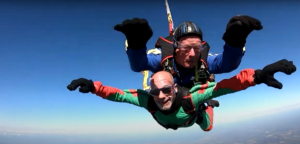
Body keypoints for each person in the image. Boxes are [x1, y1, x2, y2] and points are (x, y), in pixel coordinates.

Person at [67, 59, 296, 131]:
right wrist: (94, 87)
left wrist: (257, 75)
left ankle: (208, 106)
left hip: (193, 115)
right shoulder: (148, 100)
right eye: (155, 91)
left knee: (208, 128)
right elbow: (119, 95)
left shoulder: (189, 97)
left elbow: (225, 86)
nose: (161, 96)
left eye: (166, 89)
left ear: (174, 88)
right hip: (176, 121)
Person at [114, 15, 263, 89]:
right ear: (176, 47)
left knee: (206, 123)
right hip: (171, 99)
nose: (192, 54)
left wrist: (235, 42)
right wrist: (136, 46)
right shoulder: (164, 58)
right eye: (186, 48)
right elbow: (139, 65)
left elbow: (227, 64)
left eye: (197, 47)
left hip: (195, 100)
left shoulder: (203, 60)